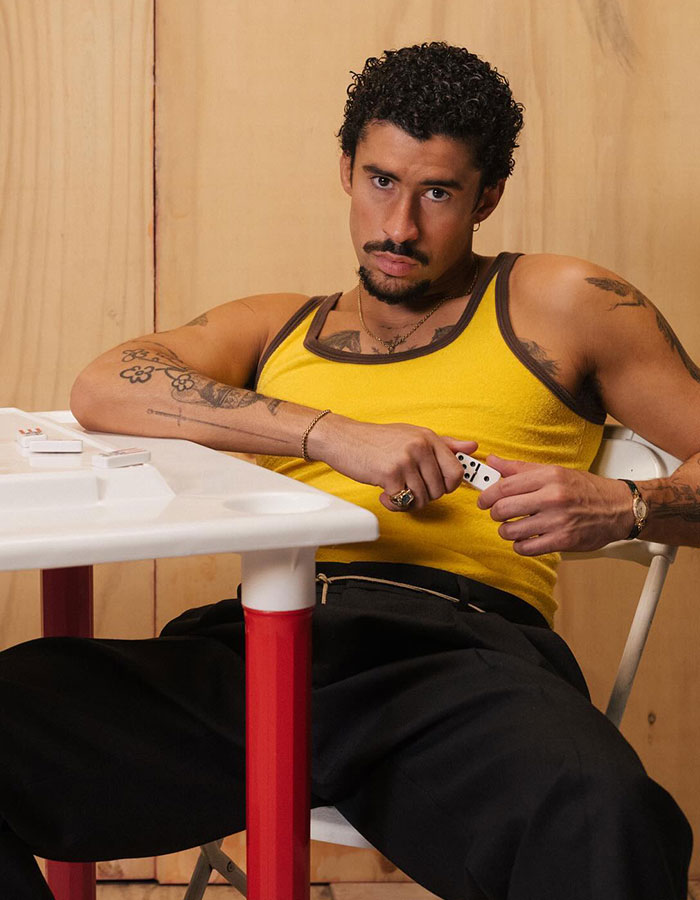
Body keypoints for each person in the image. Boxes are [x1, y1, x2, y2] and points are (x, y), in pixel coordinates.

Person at [2, 41, 697, 900]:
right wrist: (335, 435)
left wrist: (628, 504)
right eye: (380, 181)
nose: (398, 227)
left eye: (438, 192)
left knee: (607, 814)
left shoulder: (560, 301)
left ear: (489, 196)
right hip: (265, 644)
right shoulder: (277, 326)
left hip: (458, 656)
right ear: (346, 169)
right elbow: (103, 385)